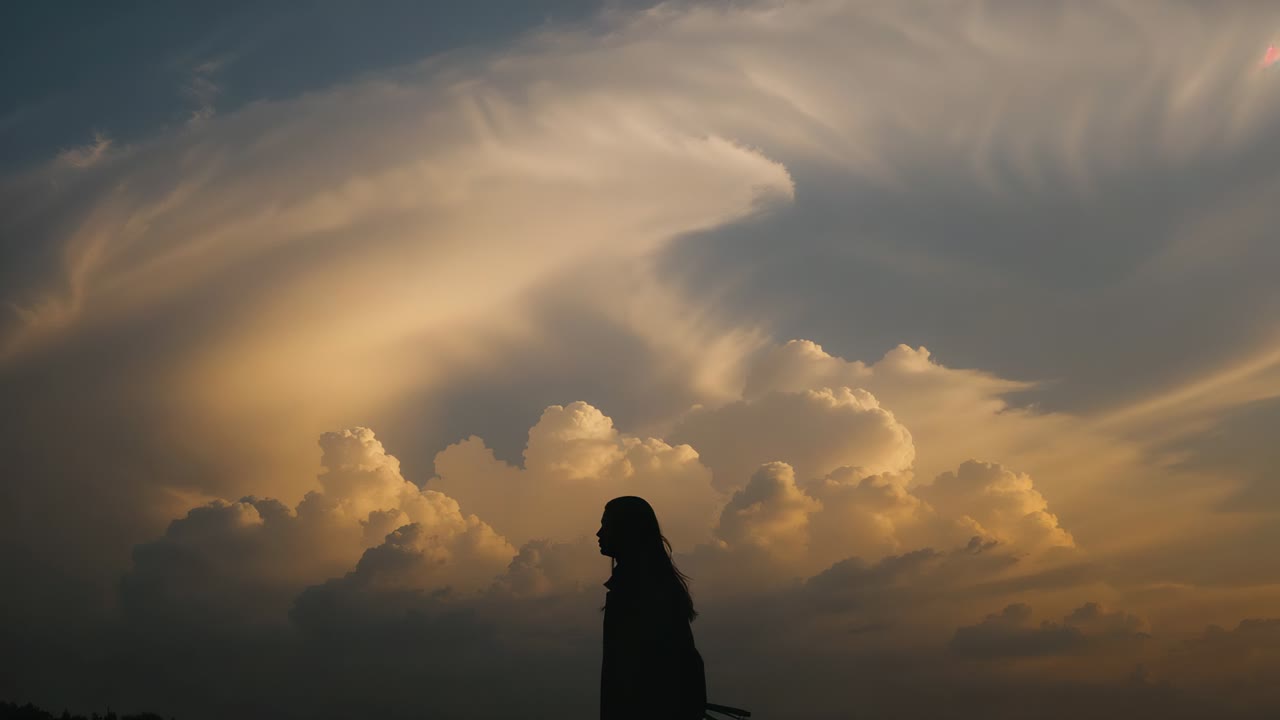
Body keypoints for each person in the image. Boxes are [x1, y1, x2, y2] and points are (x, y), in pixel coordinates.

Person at [597, 496, 707, 720]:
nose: (599, 534)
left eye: (605, 525)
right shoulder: (647, 585)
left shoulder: (641, 590)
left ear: (627, 531)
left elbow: (635, 674)